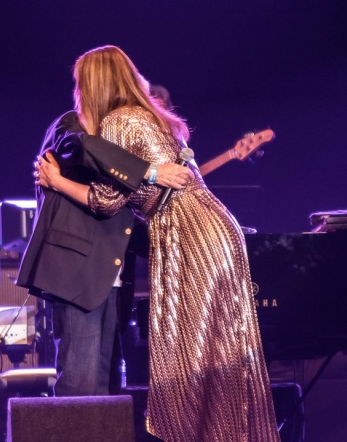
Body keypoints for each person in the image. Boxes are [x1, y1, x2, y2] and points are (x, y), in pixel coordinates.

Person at [36, 45, 280, 441]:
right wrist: (151, 175)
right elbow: (156, 181)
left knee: (189, 356)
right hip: (214, 230)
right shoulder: (144, 119)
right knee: (218, 353)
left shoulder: (117, 121)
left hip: (184, 234)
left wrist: (57, 181)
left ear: (94, 85)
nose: (76, 93)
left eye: (81, 84)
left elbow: (107, 199)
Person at [18, 111, 193, 397]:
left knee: (104, 386)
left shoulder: (123, 146)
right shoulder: (74, 124)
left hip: (110, 277)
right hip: (77, 273)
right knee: (80, 384)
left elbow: (117, 206)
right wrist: (151, 171)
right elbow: (87, 148)